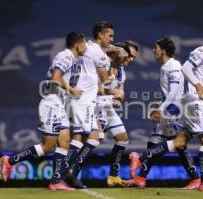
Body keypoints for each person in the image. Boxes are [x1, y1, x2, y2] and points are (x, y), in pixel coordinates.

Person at [125, 29, 203, 192]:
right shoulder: (202, 51)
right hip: (194, 100)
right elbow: (186, 68)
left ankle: (142, 158)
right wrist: (198, 85)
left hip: (191, 103)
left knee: (179, 142)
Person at [0, 32, 86, 191]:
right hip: (51, 103)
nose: (86, 47)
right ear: (78, 45)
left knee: (64, 142)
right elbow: (55, 77)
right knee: (47, 147)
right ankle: (9, 161)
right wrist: (71, 90)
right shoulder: (65, 56)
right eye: (85, 44)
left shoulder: (73, 59)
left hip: (60, 105)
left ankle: (56, 181)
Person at [128, 37, 200, 189]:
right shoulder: (165, 66)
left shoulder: (173, 66)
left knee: (177, 145)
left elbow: (174, 93)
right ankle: (141, 178)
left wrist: (160, 110)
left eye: (155, 47)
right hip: (170, 109)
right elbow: (168, 94)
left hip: (177, 111)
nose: (153, 50)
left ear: (164, 51)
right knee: (156, 142)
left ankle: (140, 159)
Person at [62, 21, 118, 189]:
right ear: (100, 35)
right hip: (84, 100)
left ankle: (69, 173)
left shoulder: (84, 47)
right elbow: (105, 80)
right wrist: (114, 73)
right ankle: (65, 172)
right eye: (110, 35)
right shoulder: (97, 52)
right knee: (91, 138)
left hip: (78, 98)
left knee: (87, 137)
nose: (112, 39)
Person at [96, 41, 139, 187]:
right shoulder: (104, 63)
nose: (131, 59)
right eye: (130, 55)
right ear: (121, 51)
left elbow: (120, 90)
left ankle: (113, 176)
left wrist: (119, 98)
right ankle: (69, 171)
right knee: (91, 142)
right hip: (95, 107)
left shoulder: (121, 70)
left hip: (108, 108)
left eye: (133, 57)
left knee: (122, 139)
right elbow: (97, 89)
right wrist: (114, 92)